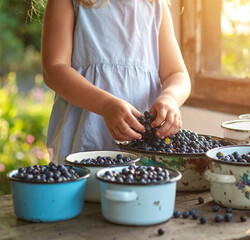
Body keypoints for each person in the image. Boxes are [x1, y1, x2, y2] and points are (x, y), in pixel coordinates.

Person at [41, 0, 191, 163]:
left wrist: (170, 98)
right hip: (85, 146)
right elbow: (54, 70)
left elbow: (177, 73)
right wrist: (105, 105)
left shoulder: (155, 5)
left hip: (144, 150)